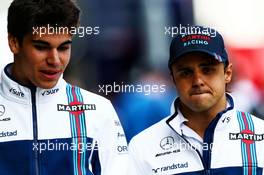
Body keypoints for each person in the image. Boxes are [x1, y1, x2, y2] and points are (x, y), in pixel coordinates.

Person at [0, 0, 128, 175]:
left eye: (63, 48)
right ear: (14, 42)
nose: (55, 60)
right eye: (41, 47)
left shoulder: (99, 110)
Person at [128, 26, 264, 174]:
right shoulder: (142, 147)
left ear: (227, 73)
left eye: (207, 70)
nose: (198, 80)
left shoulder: (260, 135)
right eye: (186, 72)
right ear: (173, 78)